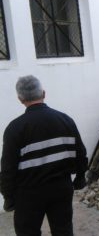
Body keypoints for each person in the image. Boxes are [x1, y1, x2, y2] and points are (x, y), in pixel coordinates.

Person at [0, 75, 88, 235]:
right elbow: (80, 154)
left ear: (20, 99)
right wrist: (80, 177)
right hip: (61, 188)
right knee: (63, 231)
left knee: (28, 232)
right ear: (43, 93)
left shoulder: (15, 128)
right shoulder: (65, 120)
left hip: (29, 193)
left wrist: (8, 197)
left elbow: (7, 168)